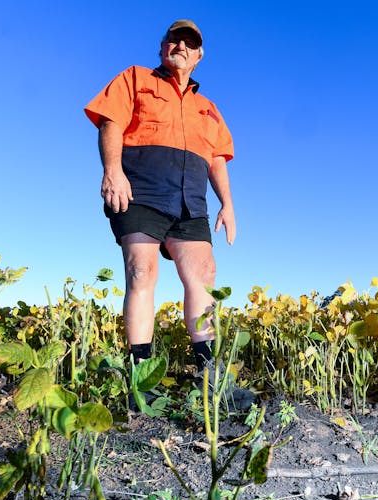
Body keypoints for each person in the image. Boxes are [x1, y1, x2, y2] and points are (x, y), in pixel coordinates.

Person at [84, 20, 252, 408]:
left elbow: (216, 160)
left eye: (189, 43)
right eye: (174, 39)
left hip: (190, 200)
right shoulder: (135, 78)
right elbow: (111, 122)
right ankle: (140, 381)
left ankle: (209, 378)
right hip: (140, 191)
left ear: (198, 56)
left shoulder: (207, 108)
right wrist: (112, 171)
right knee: (142, 272)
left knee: (204, 275)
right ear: (162, 47)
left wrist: (227, 204)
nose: (180, 45)